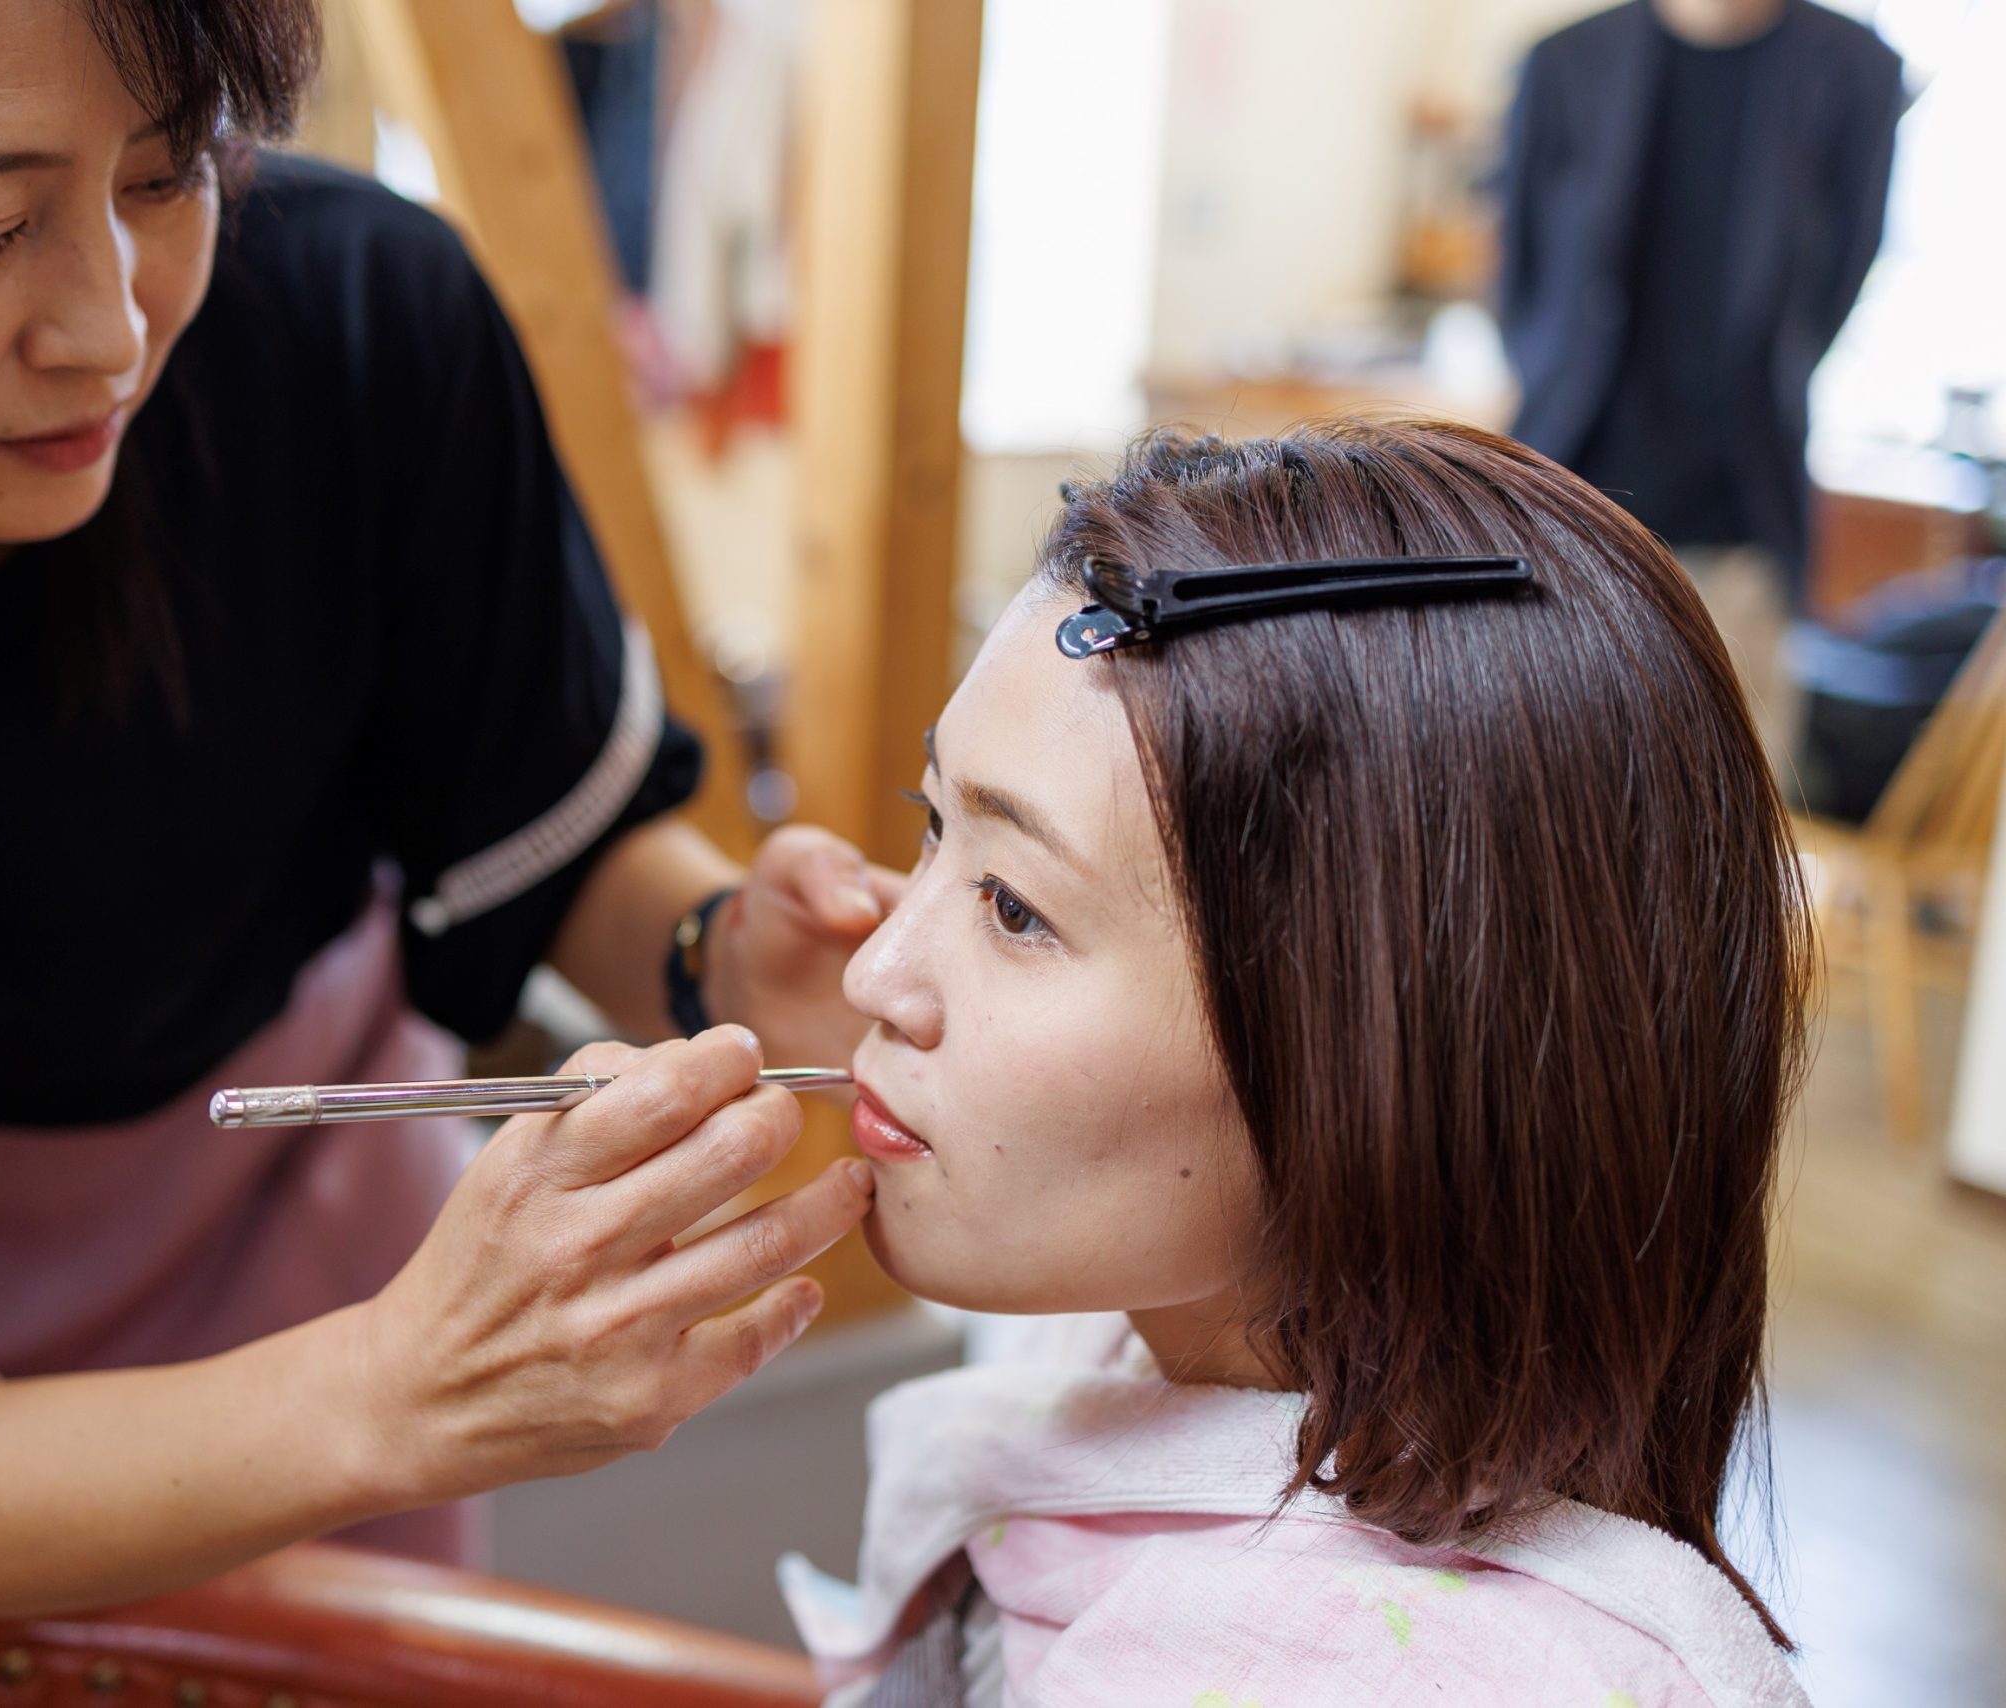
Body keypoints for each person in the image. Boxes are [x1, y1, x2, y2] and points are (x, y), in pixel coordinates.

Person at [0, 2, 896, 1702]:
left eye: (170, 170)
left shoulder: (355, 313)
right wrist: (396, 1386)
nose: (113, 329)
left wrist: (720, 949)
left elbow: (547, 838)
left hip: (325, 1274)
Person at [780, 421, 1813, 1704]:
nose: (874, 972)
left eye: (1014, 907)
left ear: (1371, 1049)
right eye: (933, 825)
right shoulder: (1136, 1341)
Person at [1497, 0, 1906, 773]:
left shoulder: (1857, 71)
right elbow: (1520, 282)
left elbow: (1837, 283)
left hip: (1741, 522)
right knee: (1539, 787)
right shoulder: (1564, 61)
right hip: (1564, 511)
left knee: (1731, 800)